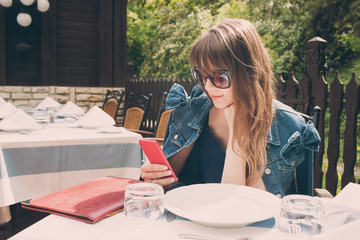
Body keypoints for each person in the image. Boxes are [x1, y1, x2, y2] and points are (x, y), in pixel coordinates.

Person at [141, 18, 320, 197]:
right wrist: (155, 179)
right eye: (201, 76)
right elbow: (167, 183)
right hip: (187, 218)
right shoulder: (189, 111)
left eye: (220, 77)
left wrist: (237, 132)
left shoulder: (291, 129)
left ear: (249, 73)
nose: (208, 87)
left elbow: (242, 206)